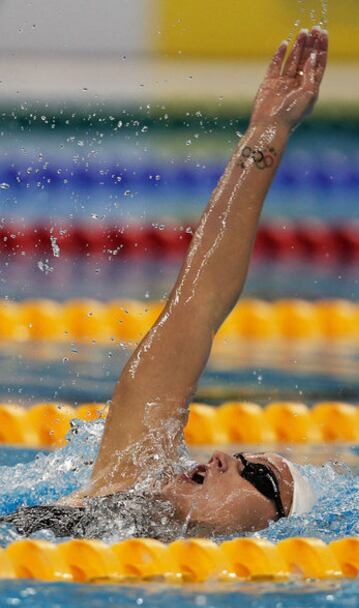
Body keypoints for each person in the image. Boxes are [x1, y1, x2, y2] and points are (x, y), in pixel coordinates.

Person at [3, 27, 328, 541]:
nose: (223, 458)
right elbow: (195, 308)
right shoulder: (126, 481)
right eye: (247, 460)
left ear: (266, 527)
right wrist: (269, 131)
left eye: (258, 477)